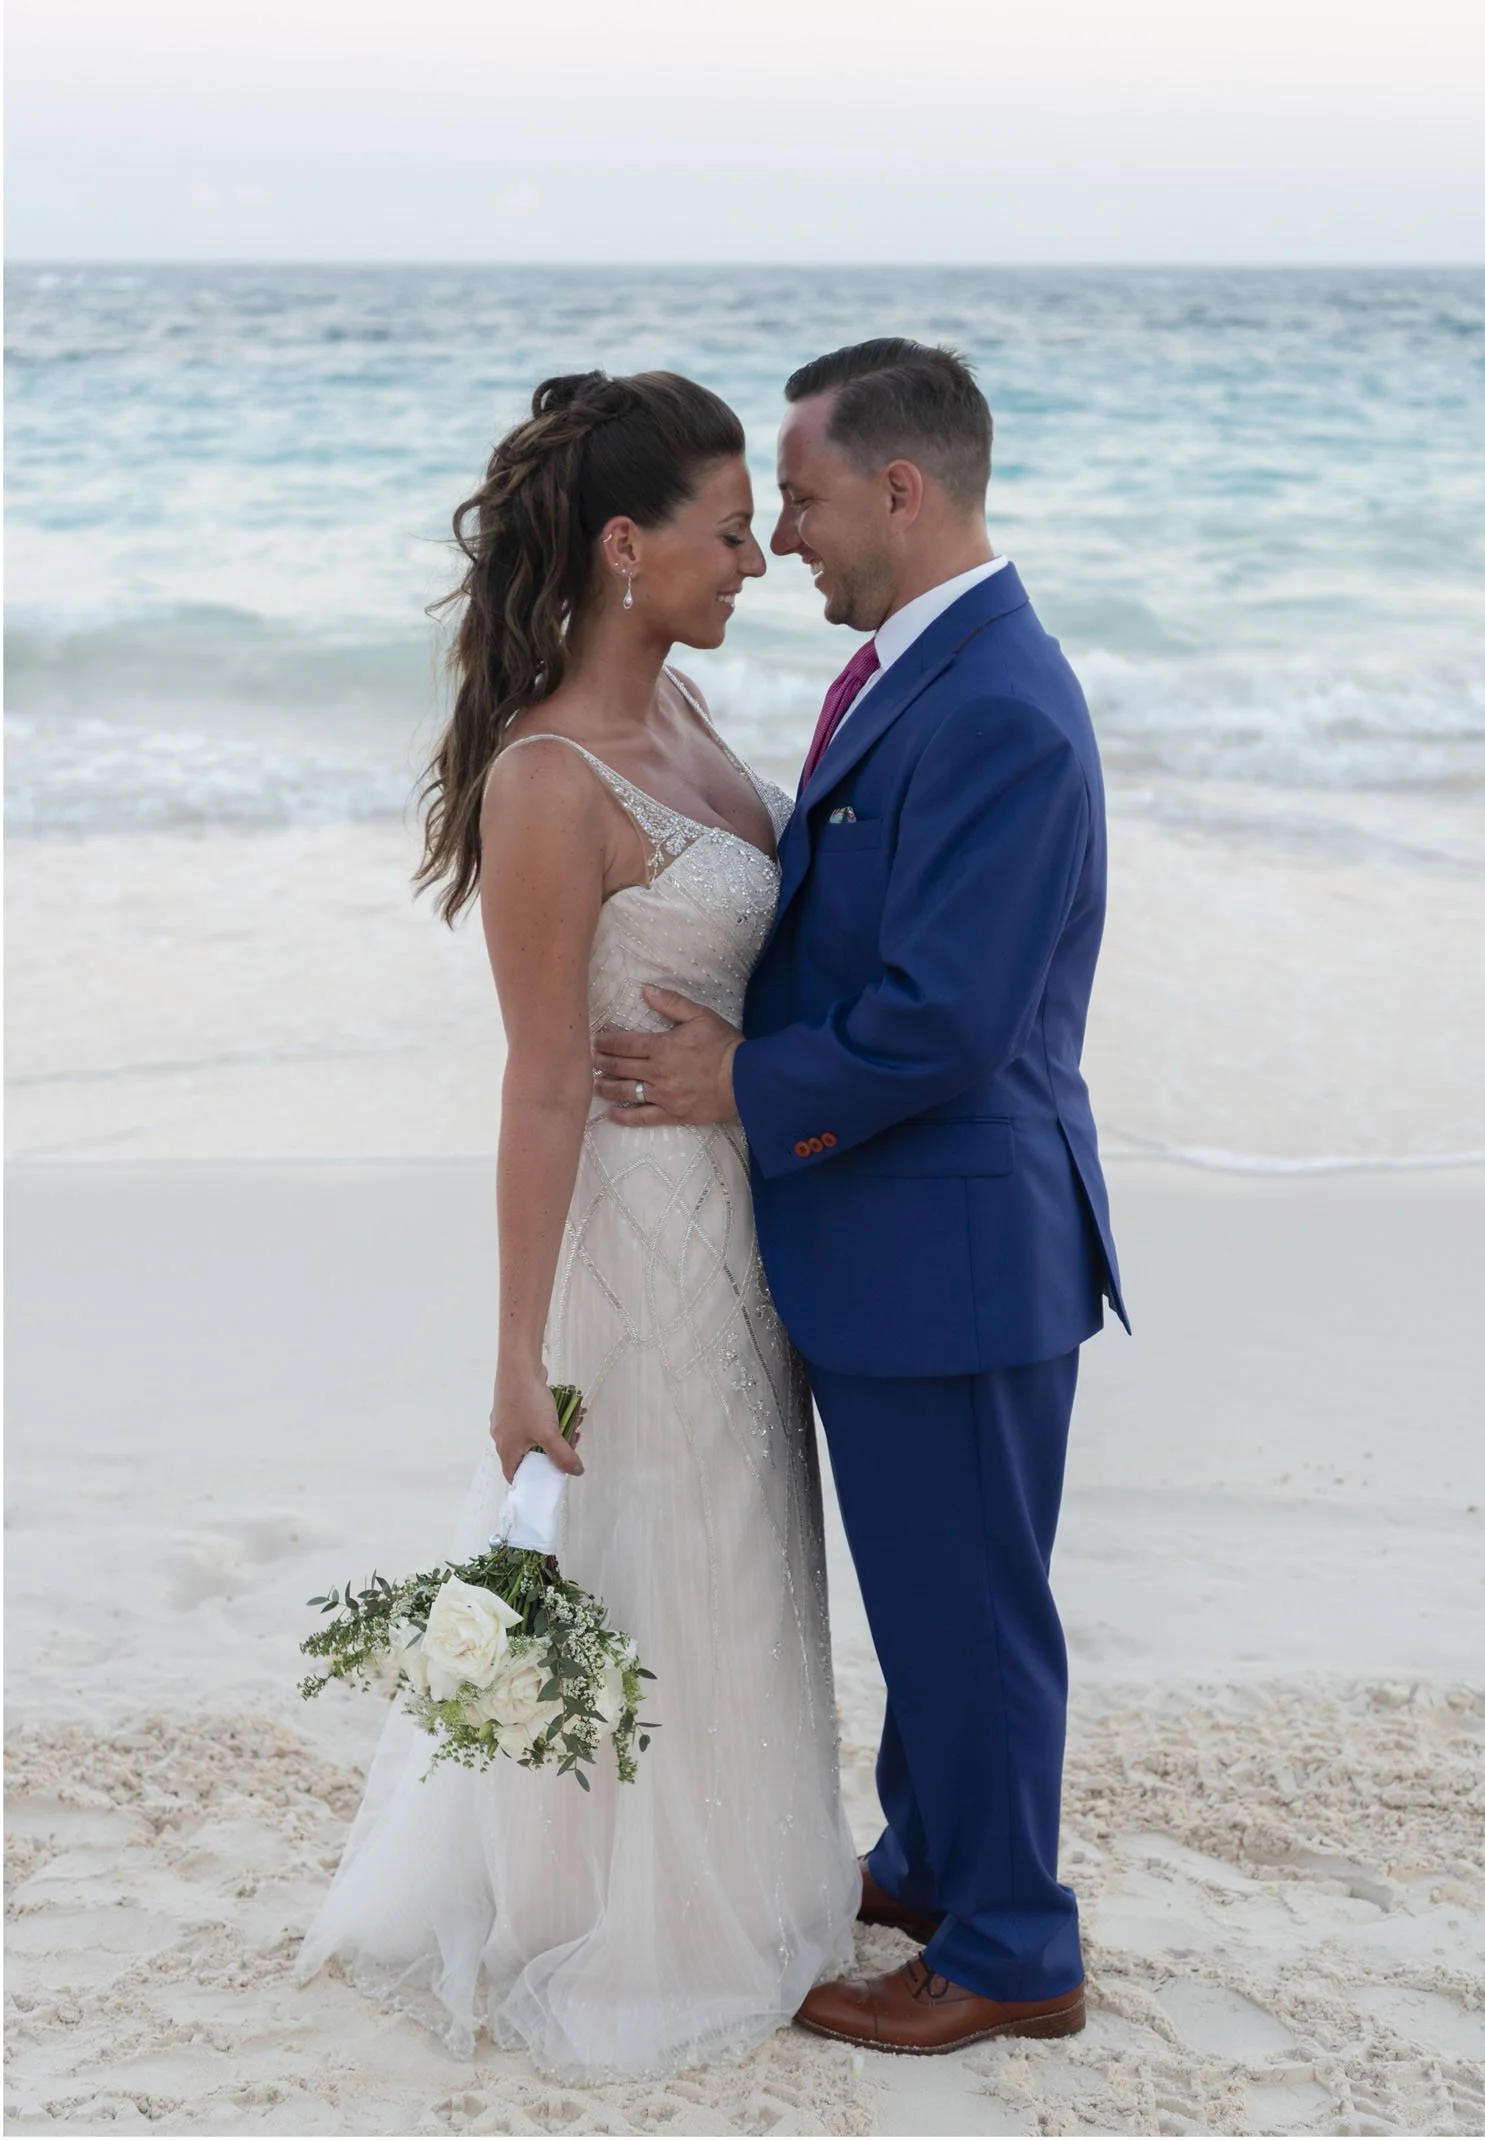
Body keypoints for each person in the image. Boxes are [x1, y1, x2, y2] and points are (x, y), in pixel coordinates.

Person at [296, 371, 857, 2076]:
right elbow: (540, 1083)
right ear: (628, 545)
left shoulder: (687, 718)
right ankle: (617, 1914)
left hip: (740, 1224)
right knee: (650, 1557)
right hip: (638, 1243)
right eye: (729, 527)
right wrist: (517, 1355)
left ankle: (753, 1874)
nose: (757, 555)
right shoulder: (549, 778)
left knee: (743, 1551)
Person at [594, 338, 1127, 2054]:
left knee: (968, 1607)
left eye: (805, 501)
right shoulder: (918, 669)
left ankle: (1013, 1950)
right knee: (928, 1582)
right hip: (905, 1231)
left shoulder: (998, 702)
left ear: (902, 488)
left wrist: (735, 1085)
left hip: (959, 1240)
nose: (787, 541)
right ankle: (933, 1855)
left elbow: (949, 1018)